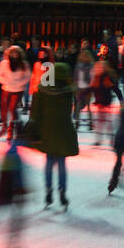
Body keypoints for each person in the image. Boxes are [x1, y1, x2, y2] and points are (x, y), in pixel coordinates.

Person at [30, 60, 79, 209]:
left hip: (47, 130)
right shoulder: (69, 92)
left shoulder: (43, 91)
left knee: (49, 162)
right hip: (64, 130)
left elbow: (36, 113)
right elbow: (72, 109)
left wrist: (34, 130)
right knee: (62, 163)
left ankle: (48, 190)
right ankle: (62, 191)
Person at [0, 45, 30, 140]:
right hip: (6, 88)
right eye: (12, 52)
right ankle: (4, 127)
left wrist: (19, 83)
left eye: (16, 52)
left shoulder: (23, 64)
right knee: (4, 109)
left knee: (12, 109)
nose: (14, 54)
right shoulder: (4, 63)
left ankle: (11, 129)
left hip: (18, 90)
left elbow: (27, 76)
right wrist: (6, 82)